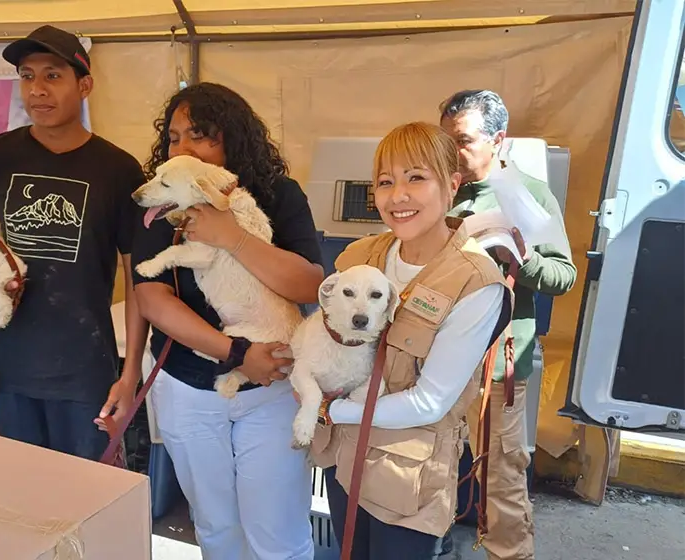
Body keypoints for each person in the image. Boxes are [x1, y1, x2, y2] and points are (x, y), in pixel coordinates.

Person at [124, 82, 323, 560]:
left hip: (272, 390)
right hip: (189, 389)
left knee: (277, 531)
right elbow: (149, 296)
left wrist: (232, 236)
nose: (183, 147)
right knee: (215, 528)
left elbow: (309, 284)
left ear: (231, 137)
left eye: (199, 134)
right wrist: (236, 354)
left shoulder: (277, 195)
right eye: (173, 137)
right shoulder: (165, 204)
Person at [301, 122, 514, 559]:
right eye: (385, 182)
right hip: (344, 461)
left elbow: (430, 402)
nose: (398, 195)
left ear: (452, 184)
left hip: (408, 480)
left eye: (416, 177)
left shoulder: (475, 281)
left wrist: (328, 409)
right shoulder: (360, 257)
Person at [0, 25, 149, 462]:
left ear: (85, 85)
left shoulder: (118, 169)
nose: (37, 90)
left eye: (53, 76)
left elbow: (139, 278)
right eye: (27, 76)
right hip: (4, 370)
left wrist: (130, 371)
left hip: (83, 374)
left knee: (87, 499)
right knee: (13, 499)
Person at [439, 89, 577, 560]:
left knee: (499, 479)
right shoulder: (434, 188)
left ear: (498, 139)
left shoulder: (526, 194)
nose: (450, 151)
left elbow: (563, 275)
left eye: (461, 140)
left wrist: (520, 258)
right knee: (426, 470)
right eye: (444, 140)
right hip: (436, 360)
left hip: (497, 365)